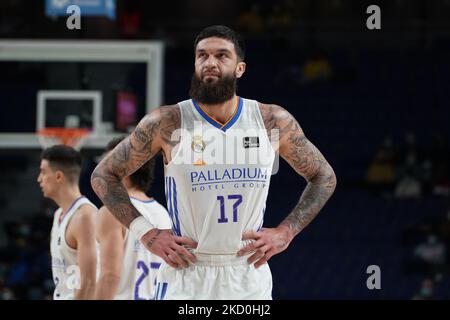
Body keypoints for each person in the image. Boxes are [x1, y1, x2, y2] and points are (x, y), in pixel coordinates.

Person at [91, 25, 337, 299]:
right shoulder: (167, 122)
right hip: (187, 271)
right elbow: (104, 175)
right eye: (202, 56)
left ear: (240, 68)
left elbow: (323, 176)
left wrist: (286, 232)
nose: (210, 62)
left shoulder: (271, 121)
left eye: (222, 56)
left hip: (246, 272)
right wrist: (145, 233)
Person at [95, 137, 172, 300]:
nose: (100, 171)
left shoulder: (111, 211)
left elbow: (110, 276)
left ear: (125, 169)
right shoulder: (164, 213)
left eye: (105, 165)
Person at [37, 145, 97, 300]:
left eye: (43, 172)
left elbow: (89, 283)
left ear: (58, 176)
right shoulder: (59, 214)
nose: (39, 179)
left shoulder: (85, 216)